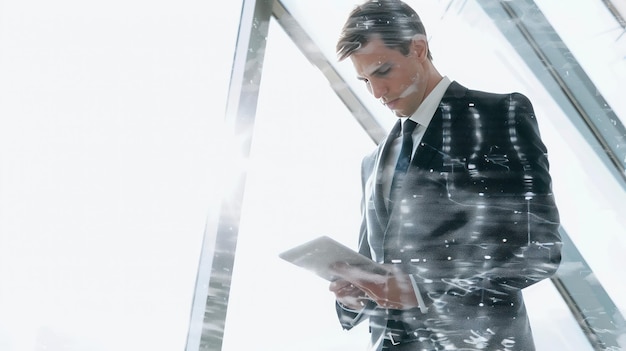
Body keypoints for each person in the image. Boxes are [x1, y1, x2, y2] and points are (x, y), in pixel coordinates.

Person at [327, 1, 562, 350]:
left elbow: (538, 251)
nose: (377, 93)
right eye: (364, 80)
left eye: (383, 71)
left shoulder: (498, 115)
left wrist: (422, 291)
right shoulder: (372, 162)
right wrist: (354, 296)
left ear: (418, 48)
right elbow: (378, 268)